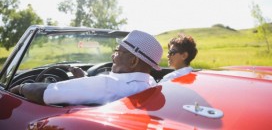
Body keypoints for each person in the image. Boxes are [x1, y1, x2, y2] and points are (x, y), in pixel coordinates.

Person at [10, 30, 163, 105]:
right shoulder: (152, 84)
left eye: (117, 51)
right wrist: (85, 80)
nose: (113, 56)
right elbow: (102, 90)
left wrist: (20, 87)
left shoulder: (106, 85)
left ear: (133, 61)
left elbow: (43, 93)